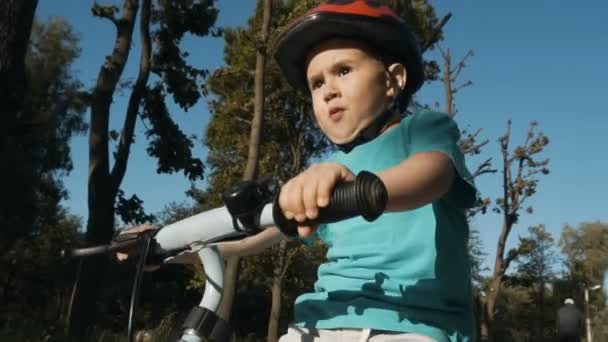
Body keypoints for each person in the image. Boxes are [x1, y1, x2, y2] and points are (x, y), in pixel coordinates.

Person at [120, 1, 479, 341]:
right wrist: (162, 246)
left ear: (392, 81)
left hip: (415, 322)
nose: (328, 91)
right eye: (317, 83)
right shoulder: (326, 172)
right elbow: (243, 240)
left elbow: (435, 173)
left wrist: (367, 189)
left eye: (343, 70)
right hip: (320, 320)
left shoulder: (423, 130)